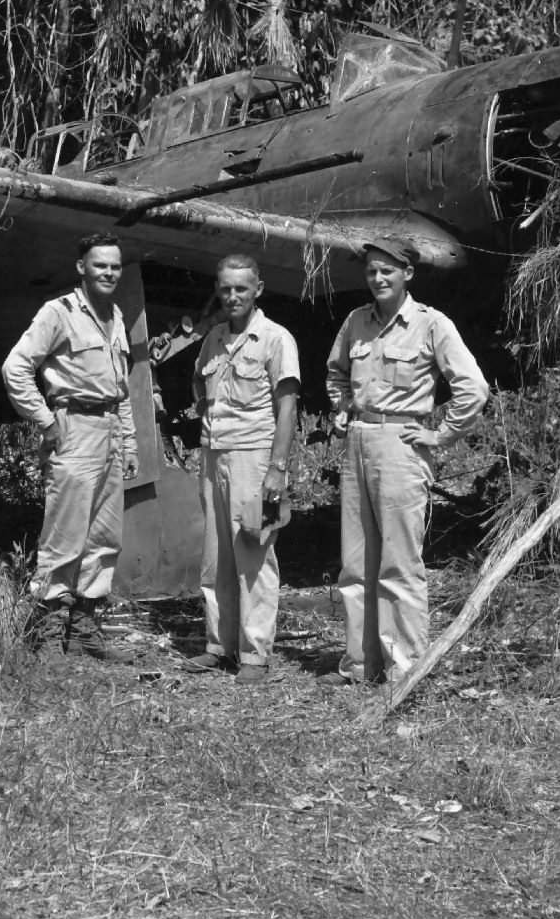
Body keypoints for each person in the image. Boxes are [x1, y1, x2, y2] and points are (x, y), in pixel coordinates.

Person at [323, 237, 487, 686]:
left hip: (401, 444)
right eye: (372, 271)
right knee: (356, 564)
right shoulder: (357, 322)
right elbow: (336, 372)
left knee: (399, 562)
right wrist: (341, 406)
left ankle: (405, 671)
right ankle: (360, 665)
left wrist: (441, 433)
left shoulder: (431, 325)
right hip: (357, 439)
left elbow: (473, 387)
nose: (378, 278)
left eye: (387, 271)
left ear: (407, 274)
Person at [1, 233, 137, 657]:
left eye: (115, 266)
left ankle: (83, 629)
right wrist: (45, 421)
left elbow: (122, 388)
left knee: (104, 535)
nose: (109, 273)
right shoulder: (58, 313)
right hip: (73, 428)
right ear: (82, 268)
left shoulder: (115, 315)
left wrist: (129, 443)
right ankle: (46, 632)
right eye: (100, 265)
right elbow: (16, 368)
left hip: (110, 430)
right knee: (65, 534)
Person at [182, 255, 299, 685]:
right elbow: (200, 385)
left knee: (254, 553)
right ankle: (219, 646)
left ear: (258, 290)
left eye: (241, 289)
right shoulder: (213, 338)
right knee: (216, 556)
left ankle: (254, 655)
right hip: (214, 456)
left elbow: (287, 407)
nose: (233, 297)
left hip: (254, 458)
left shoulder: (274, 339)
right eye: (226, 289)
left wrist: (277, 470)